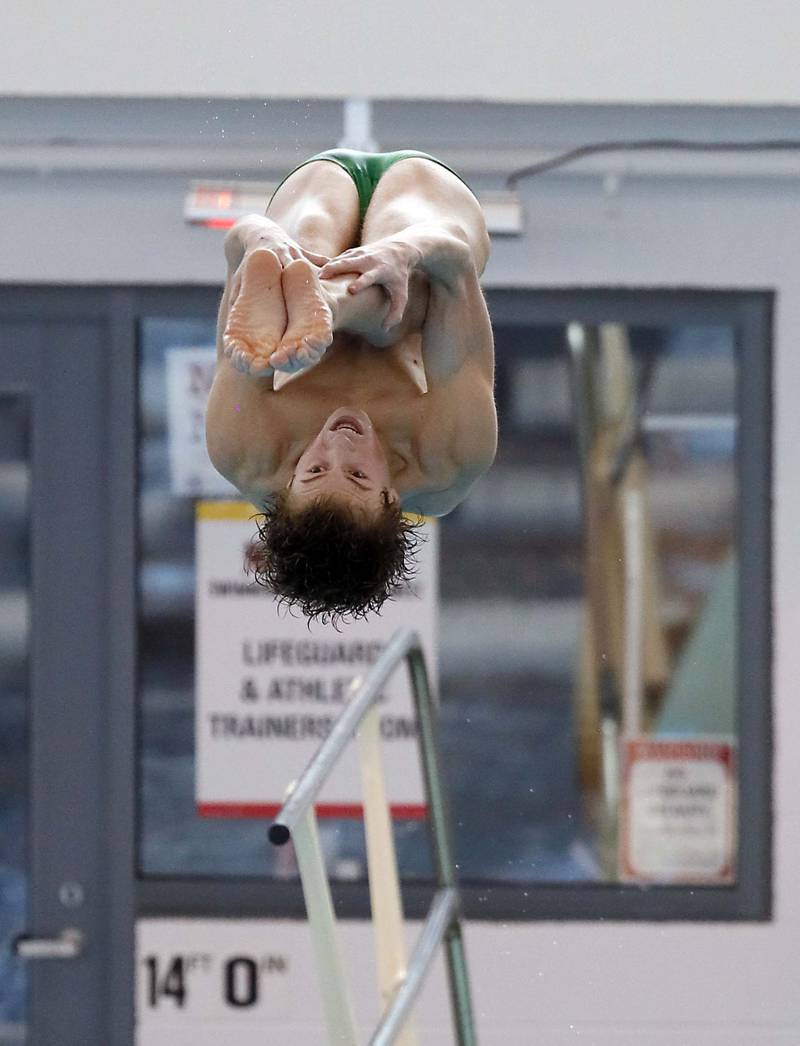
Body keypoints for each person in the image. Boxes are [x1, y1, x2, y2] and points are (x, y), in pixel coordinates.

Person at [205, 148, 496, 623]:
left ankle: (316, 291)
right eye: (358, 475)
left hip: (319, 188)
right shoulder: (447, 457)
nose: (338, 445)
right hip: (424, 200)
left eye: (314, 470)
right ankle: (328, 299)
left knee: (297, 254)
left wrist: (264, 237)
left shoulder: (244, 447)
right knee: (402, 310)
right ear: (390, 499)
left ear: (285, 489)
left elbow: (238, 245)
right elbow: (457, 267)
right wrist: (402, 251)